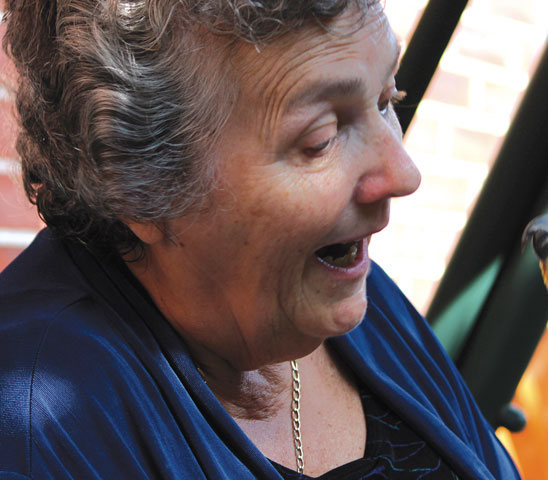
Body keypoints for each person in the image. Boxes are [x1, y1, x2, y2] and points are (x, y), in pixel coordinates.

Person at [0, 1, 521, 478]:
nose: (403, 173)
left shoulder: (351, 294)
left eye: (388, 99)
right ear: (140, 186)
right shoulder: (38, 427)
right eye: (321, 137)